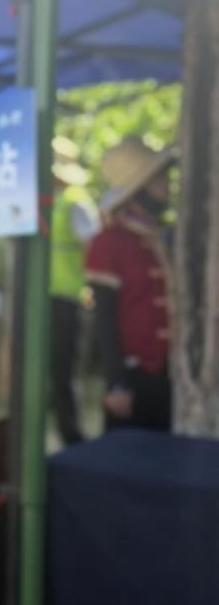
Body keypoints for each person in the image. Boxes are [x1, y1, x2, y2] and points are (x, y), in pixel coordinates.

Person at [85, 135, 177, 433]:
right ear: (139, 189)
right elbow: (104, 319)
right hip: (132, 377)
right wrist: (116, 382)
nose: (167, 184)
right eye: (158, 179)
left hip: (169, 374)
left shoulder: (164, 238)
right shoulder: (109, 242)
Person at [49, 136, 99, 445]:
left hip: (69, 297)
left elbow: (93, 247)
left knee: (65, 369)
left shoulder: (75, 201)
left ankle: (72, 435)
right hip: (46, 299)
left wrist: (89, 288)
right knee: (52, 370)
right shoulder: (48, 201)